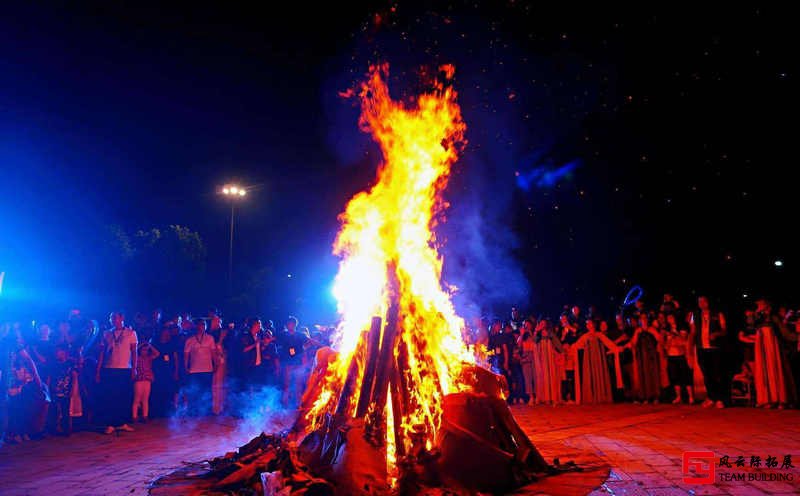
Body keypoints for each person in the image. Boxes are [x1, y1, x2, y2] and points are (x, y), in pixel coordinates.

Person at [96, 312, 137, 434]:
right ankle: (110, 424)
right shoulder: (107, 333)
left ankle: (122, 423)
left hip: (125, 368)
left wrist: (134, 368)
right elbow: (102, 353)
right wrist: (98, 370)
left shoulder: (131, 333)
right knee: (110, 396)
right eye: (110, 318)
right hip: (109, 368)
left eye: (115, 317)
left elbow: (134, 352)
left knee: (123, 396)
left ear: (122, 318)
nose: (112, 320)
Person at [752, 299, 796, 408]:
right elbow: (750, 324)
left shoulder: (774, 318)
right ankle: (767, 399)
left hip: (772, 346)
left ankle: (780, 399)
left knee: (774, 368)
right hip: (761, 347)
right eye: (758, 305)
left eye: (761, 305)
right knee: (764, 370)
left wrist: (796, 337)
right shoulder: (756, 318)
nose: (759, 307)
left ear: (767, 306)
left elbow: (784, 332)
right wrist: (757, 314)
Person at [689, 296, 728, 408]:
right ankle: (711, 397)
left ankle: (720, 399)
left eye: (703, 301)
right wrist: (690, 348)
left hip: (715, 348)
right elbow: (692, 332)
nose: (701, 304)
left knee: (716, 373)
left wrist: (716, 334)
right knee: (706, 374)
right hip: (701, 348)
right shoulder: (694, 315)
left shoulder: (718, 314)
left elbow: (724, 330)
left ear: (708, 302)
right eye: (699, 301)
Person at [572, 319, 619, 404]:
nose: (588, 325)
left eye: (590, 323)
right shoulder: (585, 336)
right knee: (590, 374)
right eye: (587, 324)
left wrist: (617, 349)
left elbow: (609, 344)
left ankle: (602, 396)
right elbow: (577, 345)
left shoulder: (599, 335)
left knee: (599, 374)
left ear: (594, 325)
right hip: (588, 360)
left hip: (599, 359)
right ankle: (591, 397)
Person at [183, 318, 216, 416]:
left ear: (206, 326)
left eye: (204, 325)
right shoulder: (190, 340)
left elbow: (213, 353)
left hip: (207, 368)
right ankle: (193, 411)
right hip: (194, 369)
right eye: (200, 325)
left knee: (207, 390)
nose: (202, 326)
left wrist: (215, 364)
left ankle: (208, 411)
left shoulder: (210, 338)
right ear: (196, 326)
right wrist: (186, 366)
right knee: (194, 390)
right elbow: (186, 355)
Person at [630, 316, 662, 404]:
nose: (643, 321)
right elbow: (633, 343)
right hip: (641, 357)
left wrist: (653, 332)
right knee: (643, 375)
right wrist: (636, 333)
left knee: (653, 375)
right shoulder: (638, 331)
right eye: (641, 319)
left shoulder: (652, 329)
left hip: (651, 356)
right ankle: (645, 397)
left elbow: (659, 339)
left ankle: (655, 396)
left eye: (644, 319)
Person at [151, 322, 180, 417]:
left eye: (167, 332)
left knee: (168, 389)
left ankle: (168, 411)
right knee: (158, 389)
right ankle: (158, 411)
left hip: (169, 369)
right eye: (164, 331)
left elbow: (176, 358)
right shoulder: (155, 342)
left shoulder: (172, 343)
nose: (165, 333)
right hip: (158, 368)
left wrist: (176, 371)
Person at [532, 319, 564, 405]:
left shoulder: (550, 333)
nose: (542, 325)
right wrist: (536, 331)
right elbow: (534, 341)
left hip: (551, 358)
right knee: (544, 377)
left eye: (543, 323)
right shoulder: (538, 334)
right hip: (542, 359)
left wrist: (561, 352)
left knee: (552, 376)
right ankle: (545, 397)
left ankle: (554, 397)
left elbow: (558, 345)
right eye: (540, 323)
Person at [50, 345, 80, 435]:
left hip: (66, 391)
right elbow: (50, 377)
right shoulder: (54, 364)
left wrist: (73, 389)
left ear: (64, 353)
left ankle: (66, 429)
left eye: (59, 352)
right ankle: (56, 429)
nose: (57, 354)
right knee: (56, 410)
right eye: (56, 352)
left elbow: (74, 376)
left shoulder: (70, 364)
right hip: (56, 390)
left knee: (65, 410)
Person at [279, 316, 308, 407]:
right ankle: (285, 403)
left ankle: (298, 403)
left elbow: (309, 341)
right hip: (287, 362)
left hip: (298, 361)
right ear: (286, 325)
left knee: (298, 383)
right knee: (287, 383)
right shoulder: (283, 335)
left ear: (295, 325)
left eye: (292, 324)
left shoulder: (300, 335)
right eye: (288, 324)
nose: (290, 325)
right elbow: (273, 340)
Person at [665, 314, 694, 404]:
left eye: (671, 317)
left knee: (685, 376)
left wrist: (676, 335)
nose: (670, 319)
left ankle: (690, 397)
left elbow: (684, 341)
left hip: (681, 355)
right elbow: (666, 346)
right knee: (675, 377)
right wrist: (669, 340)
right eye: (668, 318)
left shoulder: (681, 328)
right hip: (671, 356)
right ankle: (678, 397)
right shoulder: (667, 330)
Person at [132, 339, 159, 422]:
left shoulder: (149, 358)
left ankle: (145, 416)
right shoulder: (137, 358)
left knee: (145, 399)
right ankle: (134, 417)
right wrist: (141, 345)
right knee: (137, 399)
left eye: (146, 350)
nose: (145, 352)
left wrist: (149, 345)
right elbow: (134, 351)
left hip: (147, 379)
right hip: (139, 380)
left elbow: (157, 353)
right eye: (143, 350)